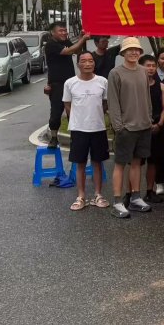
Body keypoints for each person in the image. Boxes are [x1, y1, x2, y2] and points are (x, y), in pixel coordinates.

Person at [106, 37, 153, 218]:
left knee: (137, 163)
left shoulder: (143, 71)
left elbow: (147, 96)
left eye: (136, 50)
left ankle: (135, 197)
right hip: (125, 127)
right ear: (123, 53)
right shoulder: (115, 73)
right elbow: (113, 101)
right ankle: (117, 202)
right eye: (130, 50)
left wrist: (149, 118)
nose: (134, 52)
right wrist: (119, 126)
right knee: (119, 164)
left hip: (144, 125)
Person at [63, 51, 110, 211]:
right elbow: (67, 104)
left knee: (97, 162)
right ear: (78, 64)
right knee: (80, 163)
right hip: (78, 129)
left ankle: (98, 195)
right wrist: (78, 118)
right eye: (84, 61)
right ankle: (81, 196)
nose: (88, 64)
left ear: (94, 63)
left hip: (98, 127)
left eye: (91, 61)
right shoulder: (70, 83)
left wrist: (96, 115)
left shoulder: (102, 81)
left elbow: (105, 103)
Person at [44, 22, 90, 148]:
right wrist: (83, 39)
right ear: (53, 32)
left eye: (65, 30)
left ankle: (75, 137)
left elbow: (77, 51)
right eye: (61, 31)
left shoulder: (65, 41)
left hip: (71, 83)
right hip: (57, 84)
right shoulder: (51, 45)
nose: (64, 33)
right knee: (56, 113)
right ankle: (54, 137)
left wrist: (80, 38)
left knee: (73, 112)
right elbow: (68, 51)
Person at [141, 54, 164, 204]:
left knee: (153, 161)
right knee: (136, 163)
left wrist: (160, 124)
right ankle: (132, 194)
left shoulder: (161, 86)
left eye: (153, 66)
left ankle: (150, 191)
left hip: (156, 128)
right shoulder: (136, 85)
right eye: (148, 66)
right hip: (139, 128)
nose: (151, 68)